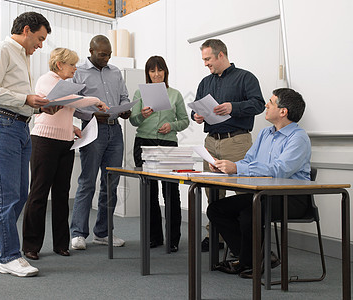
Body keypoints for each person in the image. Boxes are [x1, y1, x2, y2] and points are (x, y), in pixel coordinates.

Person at [0, 12, 54, 277]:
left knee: (20, 194)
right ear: (26, 30)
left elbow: (18, 99)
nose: (41, 45)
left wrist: (39, 108)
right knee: (6, 196)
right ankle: (9, 257)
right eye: (40, 38)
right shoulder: (2, 50)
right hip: (0, 124)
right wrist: (26, 98)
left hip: (19, 126)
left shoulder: (23, 56)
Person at [206, 88, 311, 277]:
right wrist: (226, 166)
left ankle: (250, 261)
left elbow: (280, 170)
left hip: (292, 197)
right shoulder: (265, 133)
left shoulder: (299, 137)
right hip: (263, 194)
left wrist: (237, 168)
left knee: (249, 213)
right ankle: (254, 257)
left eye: (270, 102)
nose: (266, 105)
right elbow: (248, 161)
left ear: (283, 111)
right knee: (216, 209)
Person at [21, 48, 109, 260]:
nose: (75, 68)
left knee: (61, 195)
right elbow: (70, 101)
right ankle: (31, 245)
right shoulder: (46, 80)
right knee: (39, 194)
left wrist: (72, 129)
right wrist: (95, 99)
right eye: (72, 65)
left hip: (64, 143)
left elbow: (64, 112)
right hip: (44, 142)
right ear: (59, 65)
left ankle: (61, 244)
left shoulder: (65, 85)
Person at [190, 39, 265, 251]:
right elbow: (196, 107)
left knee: (243, 193)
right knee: (212, 191)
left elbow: (259, 104)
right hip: (211, 142)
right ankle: (215, 235)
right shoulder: (205, 82)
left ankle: (246, 240)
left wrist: (234, 107)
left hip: (237, 141)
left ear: (220, 55)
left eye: (208, 59)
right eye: (203, 59)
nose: (205, 63)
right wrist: (196, 116)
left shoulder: (245, 78)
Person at [70, 35, 131, 250]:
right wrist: (92, 115)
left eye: (109, 55)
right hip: (92, 129)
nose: (106, 58)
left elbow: (124, 97)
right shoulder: (78, 72)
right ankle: (78, 233)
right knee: (87, 182)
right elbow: (72, 105)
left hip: (115, 131)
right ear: (91, 51)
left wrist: (124, 109)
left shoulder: (115, 72)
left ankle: (103, 233)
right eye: (102, 54)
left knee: (111, 183)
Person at [129, 56, 189, 252]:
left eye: (159, 70)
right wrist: (142, 115)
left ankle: (173, 239)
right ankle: (154, 237)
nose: (156, 74)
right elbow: (133, 121)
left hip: (168, 144)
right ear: (147, 73)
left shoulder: (175, 95)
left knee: (171, 192)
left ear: (165, 72)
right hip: (144, 143)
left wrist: (171, 125)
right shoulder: (139, 92)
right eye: (152, 71)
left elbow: (185, 121)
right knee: (149, 193)